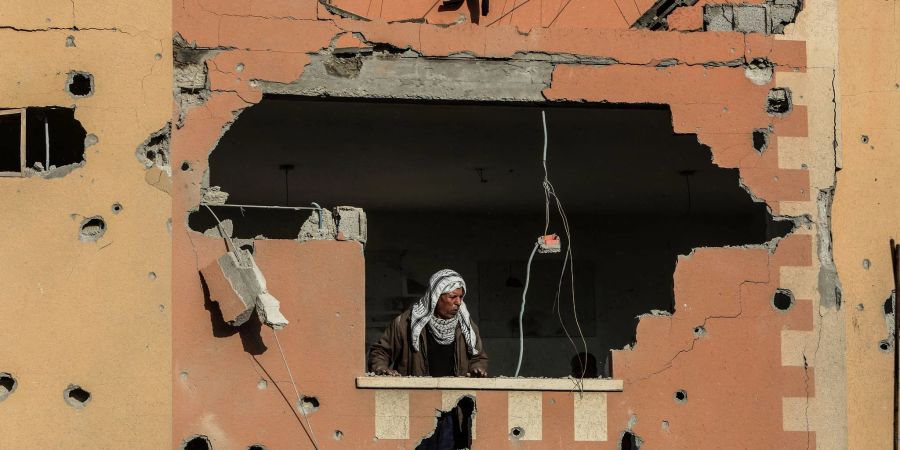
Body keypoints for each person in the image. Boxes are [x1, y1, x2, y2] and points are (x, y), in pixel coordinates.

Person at [369, 269, 488, 377]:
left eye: (461, 297)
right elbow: (381, 352)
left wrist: (477, 368)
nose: (458, 302)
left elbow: (478, 357)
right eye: (453, 297)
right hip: (418, 396)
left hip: (454, 397)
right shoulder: (406, 323)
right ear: (435, 297)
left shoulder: (467, 325)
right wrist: (381, 368)